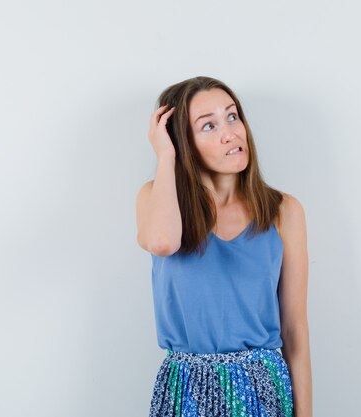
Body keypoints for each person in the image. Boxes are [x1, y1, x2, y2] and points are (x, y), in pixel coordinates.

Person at [136, 76, 313, 417]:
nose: (230, 132)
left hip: (261, 387)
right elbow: (162, 242)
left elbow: (295, 329)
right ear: (182, 142)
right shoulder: (156, 198)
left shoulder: (283, 211)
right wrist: (165, 156)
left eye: (233, 116)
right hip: (185, 388)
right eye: (208, 126)